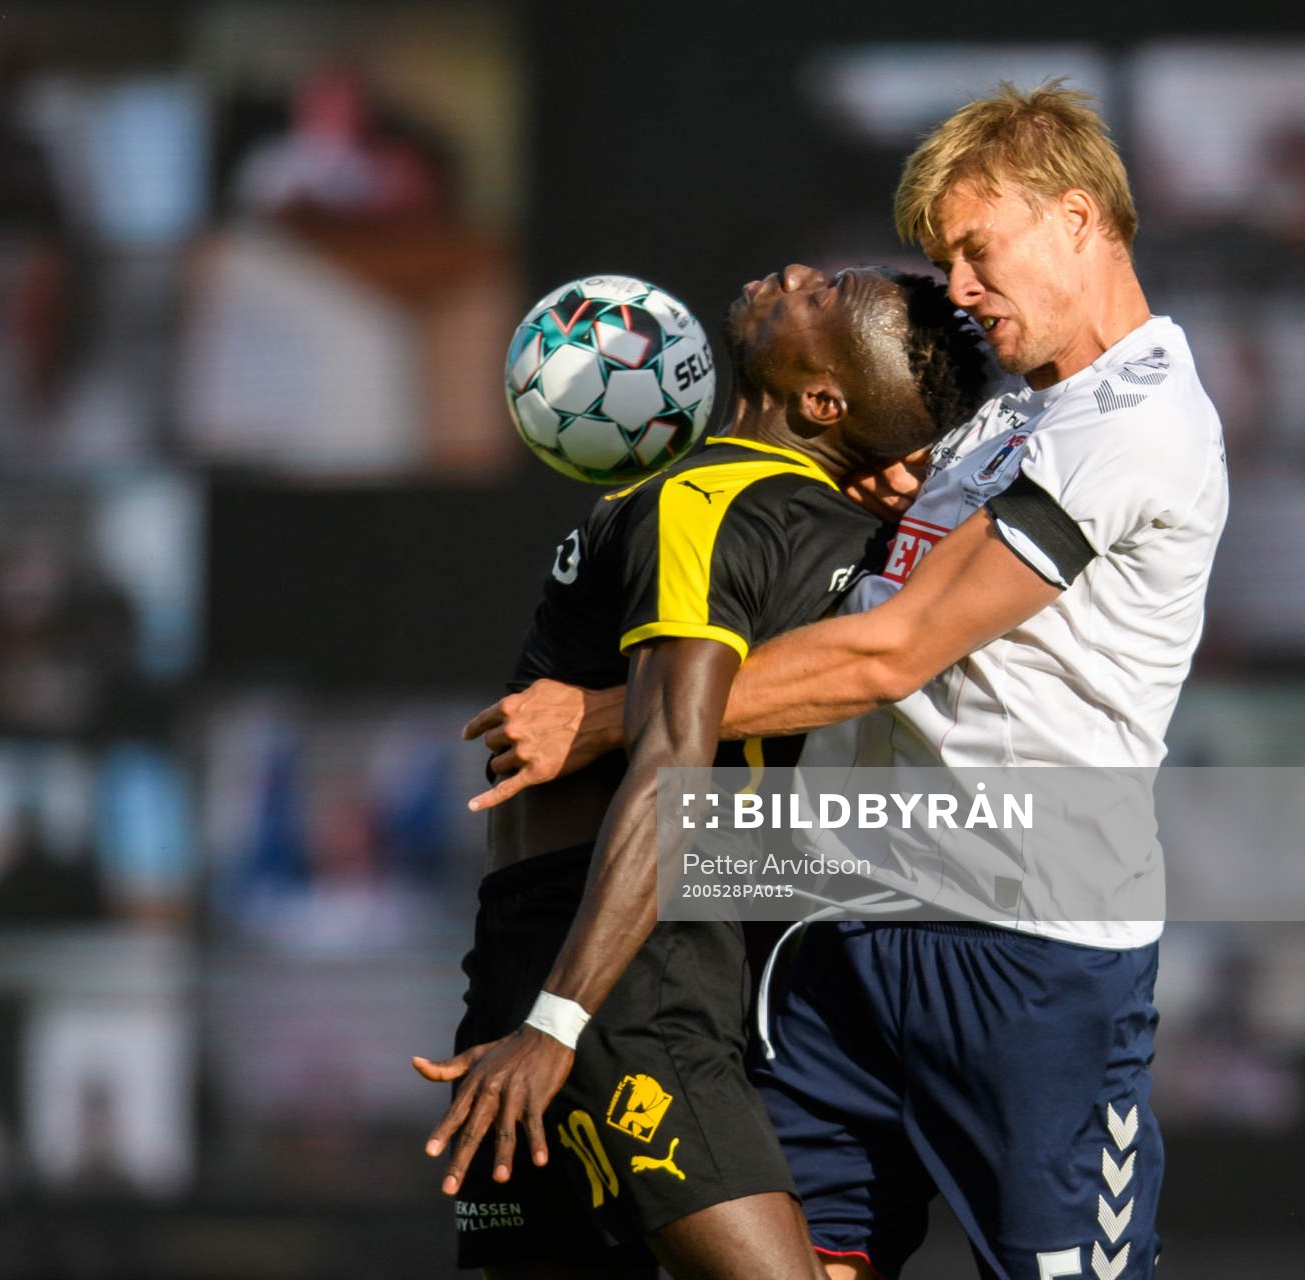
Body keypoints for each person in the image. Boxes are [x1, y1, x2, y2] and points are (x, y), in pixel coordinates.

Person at [460, 83, 1229, 1280]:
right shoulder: (1006, 419)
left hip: (1028, 950)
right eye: (945, 258)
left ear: (1078, 217)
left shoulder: (1137, 422)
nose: (958, 286)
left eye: (976, 250)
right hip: (849, 940)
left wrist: (608, 717)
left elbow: (891, 650)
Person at [415, 266, 991, 1278]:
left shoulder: (722, 503)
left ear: (823, 400)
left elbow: (671, 765)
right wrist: (561, 1019)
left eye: (824, 297)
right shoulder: (755, 510)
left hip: (596, 977)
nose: (799, 275)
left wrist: (554, 1018)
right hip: (610, 968)